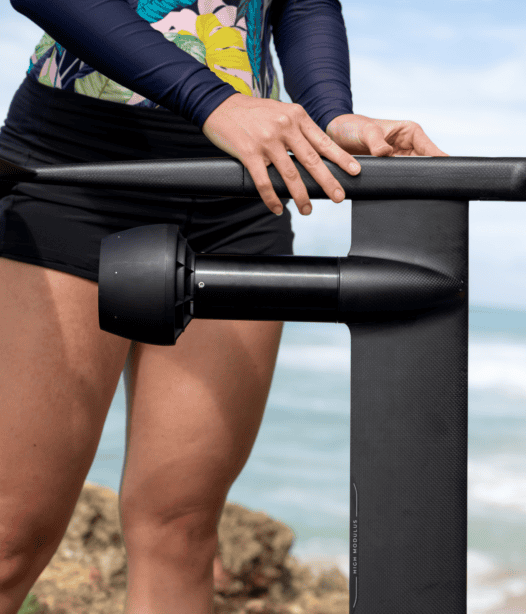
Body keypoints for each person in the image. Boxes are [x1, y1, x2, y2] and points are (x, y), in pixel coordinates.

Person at [0, 0, 449, 612]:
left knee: (182, 531)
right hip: (77, 166)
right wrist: (212, 101)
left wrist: (331, 114)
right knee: (10, 538)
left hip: (241, 191)